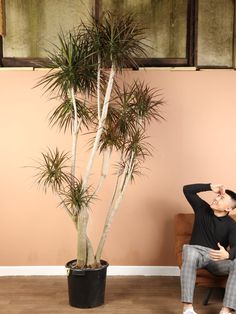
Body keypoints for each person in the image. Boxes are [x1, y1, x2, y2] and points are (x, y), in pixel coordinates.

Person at [181, 183, 236, 314]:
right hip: (195, 251)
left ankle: (226, 310)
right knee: (189, 251)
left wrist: (228, 255)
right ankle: (187, 308)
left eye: (221, 198)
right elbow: (187, 190)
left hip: (215, 259)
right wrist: (210, 186)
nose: (216, 198)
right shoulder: (202, 209)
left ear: (228, 208)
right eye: (218, 196)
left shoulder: (232, 225)